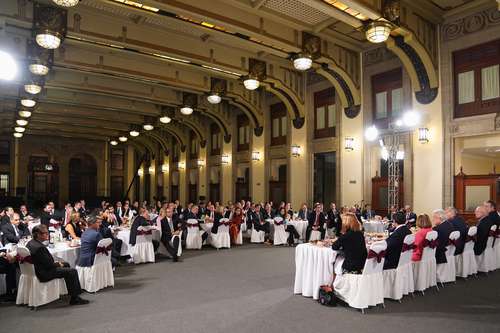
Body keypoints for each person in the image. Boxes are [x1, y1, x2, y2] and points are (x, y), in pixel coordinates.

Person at [27, 225, 88, 305]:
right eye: (45, 233)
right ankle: (75, 298)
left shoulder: (30, 243)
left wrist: (58, 264)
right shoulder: (40, 248)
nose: (47, 235)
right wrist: (58, 264)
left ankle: (70, 291)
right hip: (44, 273)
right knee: (72, 271)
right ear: (38, 235)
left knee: (66, 264)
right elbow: (49, 264)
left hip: (38, 269)